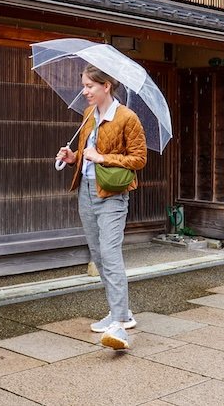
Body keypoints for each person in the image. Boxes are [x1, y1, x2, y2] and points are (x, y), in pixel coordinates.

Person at [56, 65, 147, 350]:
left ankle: (120, 323)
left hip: (112, 195)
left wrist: (102, 157)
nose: (84, 91)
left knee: (109, 253)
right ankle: (118, 311)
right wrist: (74, 158)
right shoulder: (88, 115)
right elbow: (86, 155)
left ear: (106, 86)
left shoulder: (126, 118)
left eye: (90, 86)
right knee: (97, 254)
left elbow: (139, 159)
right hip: (86, 190)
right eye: (84, 85)